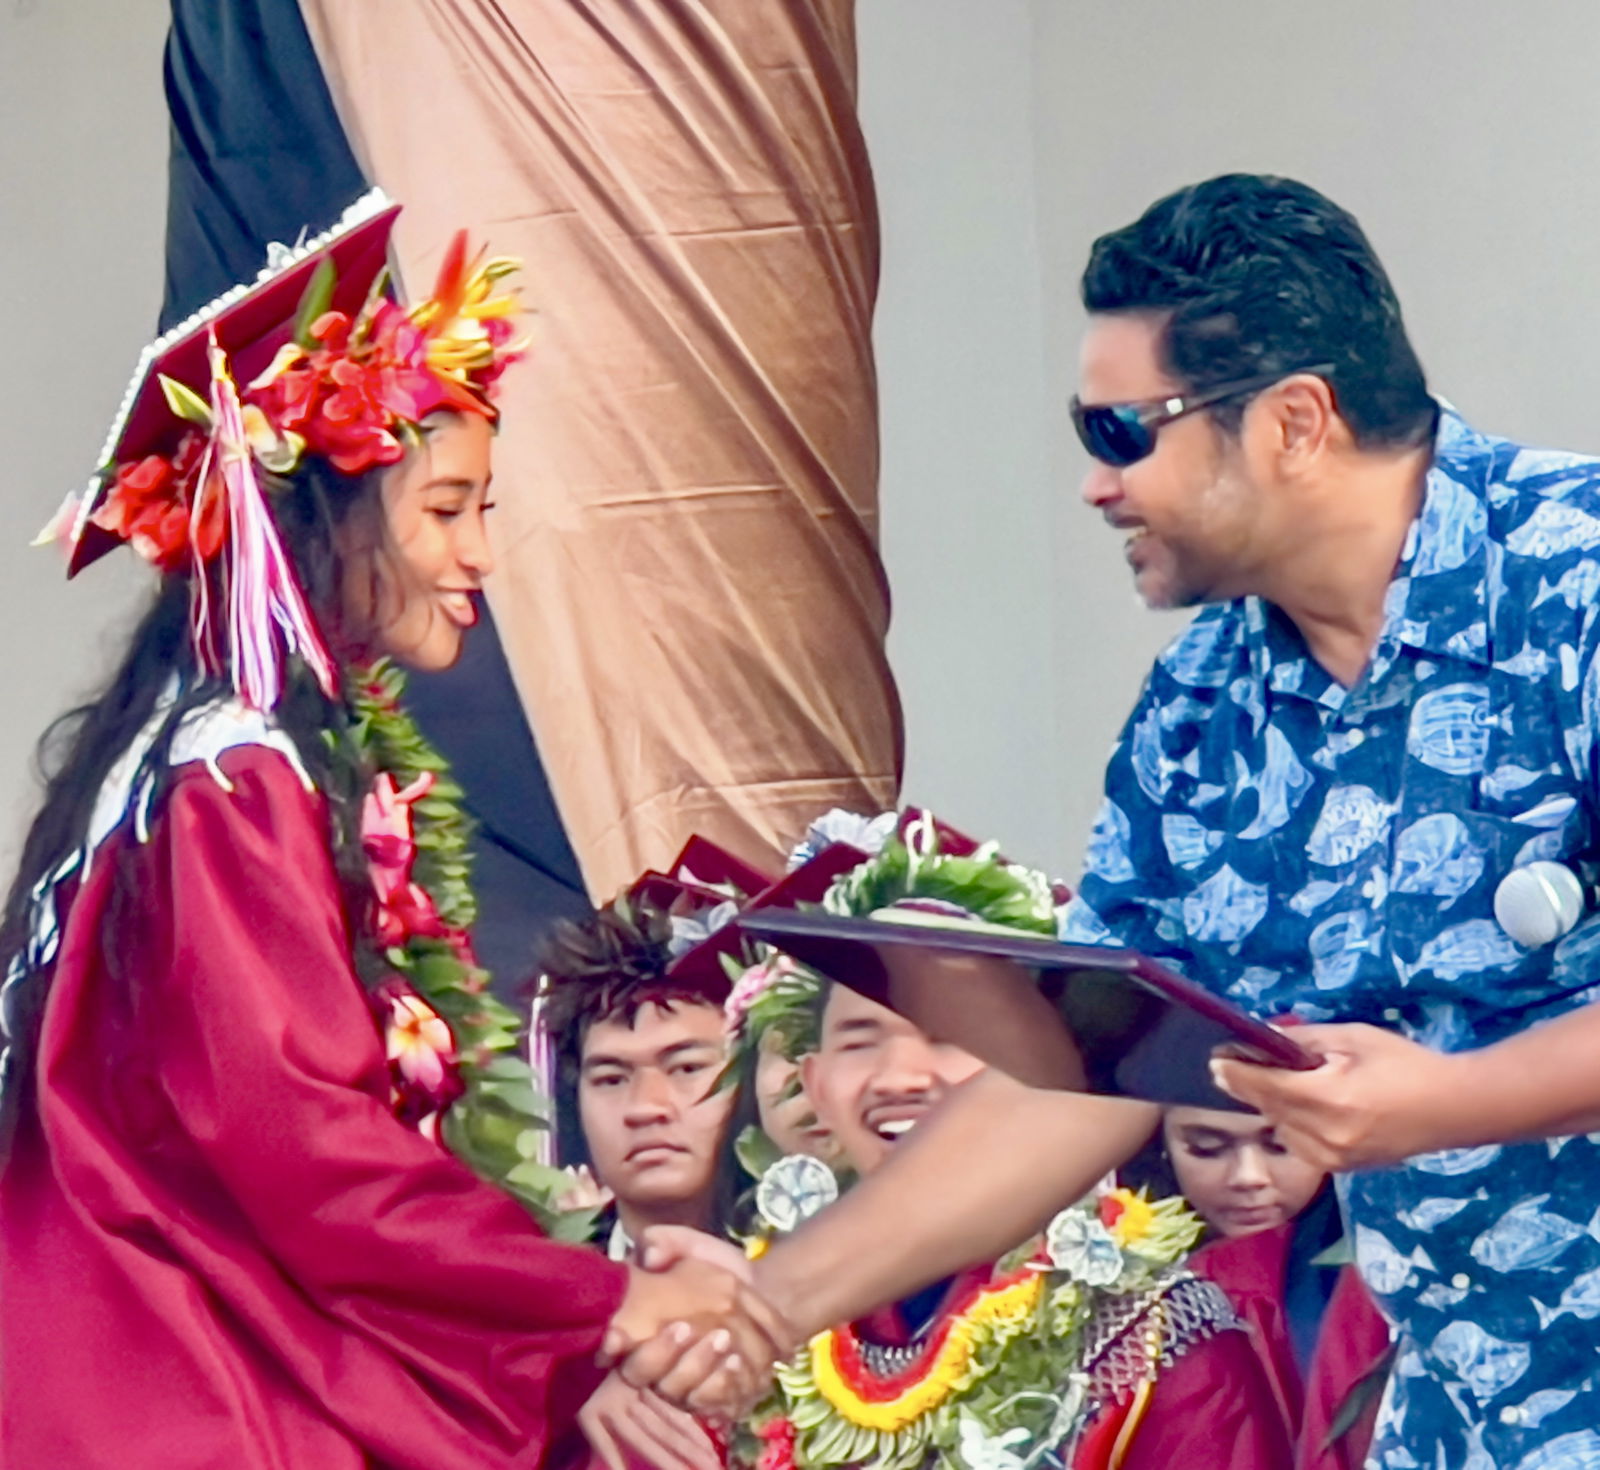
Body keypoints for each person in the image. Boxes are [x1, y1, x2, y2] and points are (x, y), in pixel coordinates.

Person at [619, 174, 1600, 1468]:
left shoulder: (1572, 581)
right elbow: (1080, 1085)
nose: (1094, 482)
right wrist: (765, 1304)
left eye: (1122, 429)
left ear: (1296, 422)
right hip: (1464, 1422)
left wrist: (1458, 1099)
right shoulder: (1201, 711)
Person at [0, 197, 779, 1468]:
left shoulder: (213, 758)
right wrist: (606, 1302)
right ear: (327, 520)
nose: (479, 554)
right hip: (189, 1372)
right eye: (447, 510)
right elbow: (305, 1151)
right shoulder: (235, 783)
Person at [726, 816, 1290, 1469]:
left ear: (1044, 1063)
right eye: (861, 1039)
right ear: (815, 1086)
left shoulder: (1154, 1334)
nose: (905, 1077)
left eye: (949, 1035)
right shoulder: (745, 1344)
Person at [1162, 1108, 1391, 1470]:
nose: (1249, 1176)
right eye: (1206, 1147)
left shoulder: (1385, 1284)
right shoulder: (1101, 1273)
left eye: (1282, 1145)